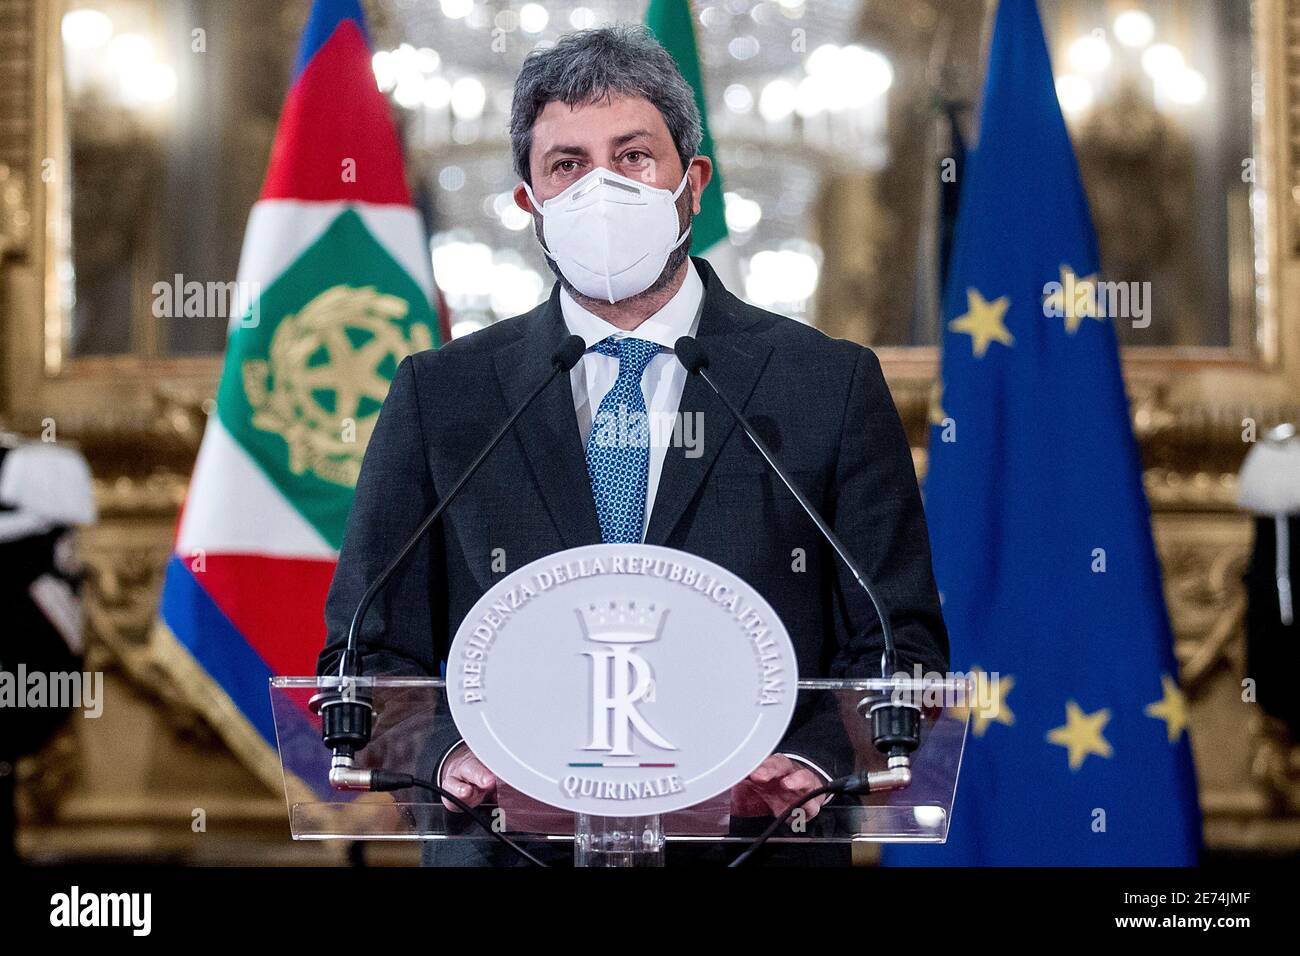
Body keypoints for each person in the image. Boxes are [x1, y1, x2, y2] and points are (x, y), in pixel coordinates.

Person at [319, 24, 948, 866]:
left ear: (692, 184)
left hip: (756, 846)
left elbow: (897, 645)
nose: (601, 188)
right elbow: (366, 648)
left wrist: (809, 762)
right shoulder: (444, 394)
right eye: (568, 165)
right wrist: (448, 757)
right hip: (512, 850)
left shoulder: (825, 385)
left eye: (634, 156)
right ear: (528, 202)